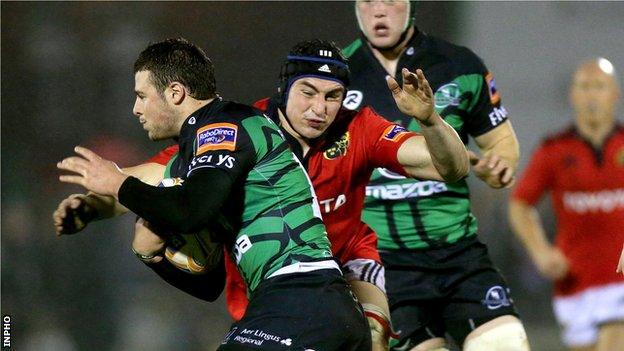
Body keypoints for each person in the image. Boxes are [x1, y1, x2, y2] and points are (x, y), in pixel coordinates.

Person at [54, 39, 470, 351]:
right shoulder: (214, 139)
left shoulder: (229, 128)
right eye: (308, 92)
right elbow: (201, 271)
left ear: (176, 93)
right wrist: (96, 211)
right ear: (284, 90)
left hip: (312, 290)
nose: (320, 108)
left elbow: (450, 167)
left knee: (377, 337)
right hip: (277, 302)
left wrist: (430, 120)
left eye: (332, 96)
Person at [342, 1, 530, 350]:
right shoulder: (337, 74)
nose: (379, 11)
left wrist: (501, 163)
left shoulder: (459, 64)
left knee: (508, 343)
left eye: (390, 0)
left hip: (459, 255)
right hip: (385, 266)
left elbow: (501, 141)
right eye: (368, 1)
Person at [509, 58, 624, 351]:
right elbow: (520, 204)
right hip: (575, 284)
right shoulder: (555, 150)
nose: (591, 95)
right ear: (573, 95)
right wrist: (540, 251)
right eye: (584, 87)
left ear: (615, 93)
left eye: (599, 86)